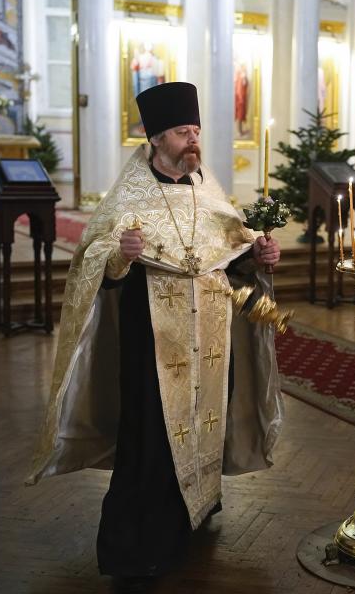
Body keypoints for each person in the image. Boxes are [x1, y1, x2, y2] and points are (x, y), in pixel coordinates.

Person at [27, 82, 283, 587]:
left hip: (211, 332)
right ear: (158, 138)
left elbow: (231, 242)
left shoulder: (206, 185)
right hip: (152, 337)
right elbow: (92, 259)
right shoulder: (129, 194)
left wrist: (258, 254)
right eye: (184, 133)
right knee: (150, 435)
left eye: (196, 131)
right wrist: (120, 252)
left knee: (207, 418)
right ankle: (136, 547)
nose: (194, 140)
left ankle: (199, 506)